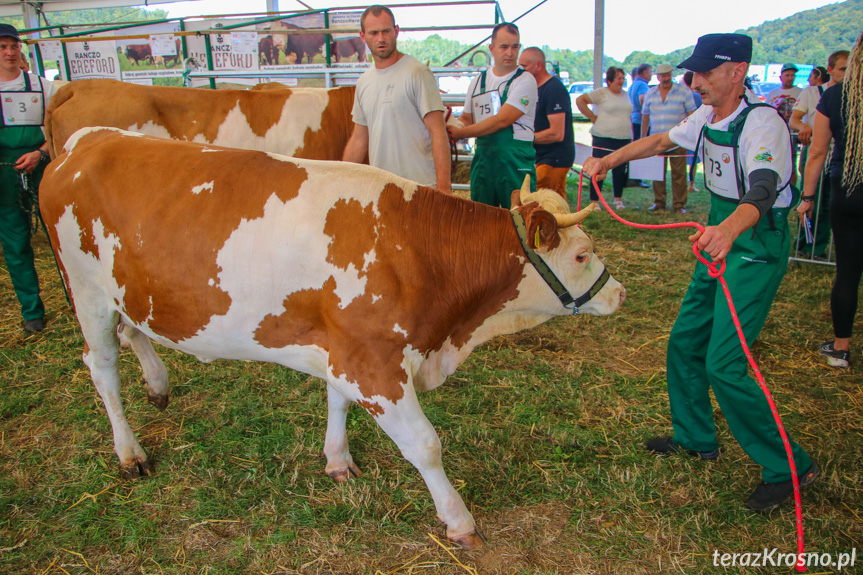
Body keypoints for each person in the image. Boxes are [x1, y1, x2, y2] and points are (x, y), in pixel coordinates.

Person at [583, 33, 818, 512]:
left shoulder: (763, 123)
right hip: (722, 235)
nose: (696, 80)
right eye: (695, 71)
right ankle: (695, 438)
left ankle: (790, 467)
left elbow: (764, 188)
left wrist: (729, 230)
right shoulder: (707, 115)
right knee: (685, 342)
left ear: (737, 72)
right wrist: (607, 159)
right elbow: (658, 140)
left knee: (725, 363)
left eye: (707, 72)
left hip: (752, 240)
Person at [796, 33, 863, 368]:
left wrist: (807, 197)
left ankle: (840, 348)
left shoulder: (836, 96)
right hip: (848, 186)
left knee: (848, 271)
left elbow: (818, 152)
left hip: (848, 188)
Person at [343, 5, 451, 193]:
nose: (381, 39)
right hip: (382, 190)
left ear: (396, 31)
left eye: (386, 31)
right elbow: (359, 139)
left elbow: (438, 132)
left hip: (421, 188)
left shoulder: (417, 73)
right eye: (374, 33)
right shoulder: (363, 82)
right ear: (363, 36)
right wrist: (340, 180)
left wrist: (444, 188)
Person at [0, 24, 55, 334]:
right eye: (2, 47)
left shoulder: (40, 86)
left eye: (14, 46)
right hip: (4, 172)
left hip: (41, 165)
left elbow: (59, 128)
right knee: (15, 242)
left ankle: (78, 301)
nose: (9, 52)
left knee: (61, 237)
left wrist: (40, 153)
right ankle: (32, 311)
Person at [449, 22, 536, 208]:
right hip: (484, 157)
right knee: (481, 217)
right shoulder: (478, 81)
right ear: (492, 48)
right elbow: (467, 118)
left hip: (515, 158)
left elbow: (502, 120)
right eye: (504, 47)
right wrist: (451, 127)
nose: (510, 53)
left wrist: (460, 134)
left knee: (519, 216)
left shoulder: (525, 80)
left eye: (515, 47)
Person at [789, 50, 849, 258]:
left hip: (839, 157)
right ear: (830, 70)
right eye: (842, 68)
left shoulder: (852, 95)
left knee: (828, 204)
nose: (847, 73)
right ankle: (803, 241)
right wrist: (803, 127)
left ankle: (816, 247)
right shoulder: (812, 93)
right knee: (808, 200)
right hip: (814, 152)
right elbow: (794, 119)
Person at [517, 46, 574, 199]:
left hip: (554, 157)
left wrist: (524, 138)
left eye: (524, 66)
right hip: (540, 155)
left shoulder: (554, 89)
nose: (520, 70)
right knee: (553, 199)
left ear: (539, 65)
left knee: (543, 200)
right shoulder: (533, 88)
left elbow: (557, 133)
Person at [641, 64, 697, 213]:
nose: (665, 78)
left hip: (678, 139)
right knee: (657, 173)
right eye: (662, 75)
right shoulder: (650, 93)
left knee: (679, 174)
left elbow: (692, 115)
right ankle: (659, 202)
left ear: (671, 75)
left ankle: (679, 205)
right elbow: (645, 117)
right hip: (656, 139)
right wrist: (642, 138)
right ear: (658, 77)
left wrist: (689, 138)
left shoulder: (684, 91)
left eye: (668, 75)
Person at [575, 67, 631, 210]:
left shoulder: (626, 95)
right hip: (603, 137)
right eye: (618, 78)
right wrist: (592, 117)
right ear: (610, 80)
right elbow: (580, 100)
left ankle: (618, 199)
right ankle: (594, 201)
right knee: (598, 168)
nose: (621, 81)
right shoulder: (602, 93)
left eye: (623, 78)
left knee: (620, 170)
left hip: (623, 138)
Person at [766, 64, 803, 185]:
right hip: (775, 133)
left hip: (791, 133)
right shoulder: (773, 93)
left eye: (793, 75)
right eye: (787, 75)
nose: (790, 78)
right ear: (781, 77)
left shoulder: (800, 93)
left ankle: (791, 189)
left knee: (790, 163)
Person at [628, 63, 653, 188]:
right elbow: (643, 98)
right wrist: (645, 112)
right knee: (641, 149)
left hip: (633, 120)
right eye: (650, 72)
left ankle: (634, 177)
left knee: (634, 149)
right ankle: (637, 178)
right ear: (644, 73)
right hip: (640, 121)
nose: (651, 75)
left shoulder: (633, 84)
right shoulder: (643, 85)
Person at [683, 71, 703, 193]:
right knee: (693, 158)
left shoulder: (685, 94)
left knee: (684, 158)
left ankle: (688, 183)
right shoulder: (698, 96)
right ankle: (691, 183)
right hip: (695, 130)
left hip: (684, 129)